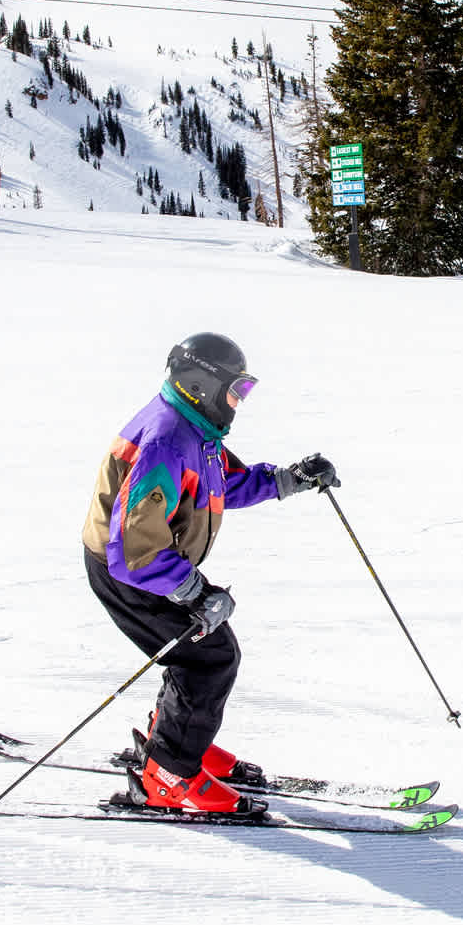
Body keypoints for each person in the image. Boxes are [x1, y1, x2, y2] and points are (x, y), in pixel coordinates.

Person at [80, 332, 339, 815]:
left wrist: (292, 479)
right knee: (209, 657)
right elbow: (134, 548)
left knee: (201, 652)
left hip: (151, 567)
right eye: (236, 390)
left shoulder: (194, 430)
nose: (239, 402)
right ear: (201, 385)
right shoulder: (166, 439)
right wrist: (195, 592)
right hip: (134, 573)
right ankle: (170, 775)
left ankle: (173, 741)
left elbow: (226, 484)